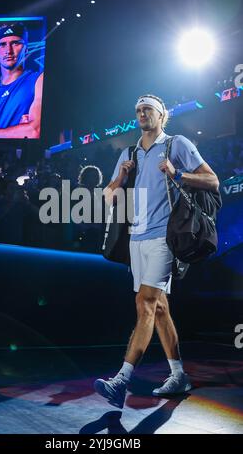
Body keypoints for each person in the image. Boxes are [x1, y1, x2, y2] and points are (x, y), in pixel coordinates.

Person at [94, 94, 219, 408]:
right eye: (137, 110)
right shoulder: (129, 152)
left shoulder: (177, 144)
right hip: (137, 240)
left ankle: (121, 380)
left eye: (147, 109)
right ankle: (178, 375)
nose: (141, 114)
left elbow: (212, 180)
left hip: (165, 238)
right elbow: (107, 198)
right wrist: (121, 177)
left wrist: (178, 174)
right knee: (159, 308)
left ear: (162, 115)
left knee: (145, 303)